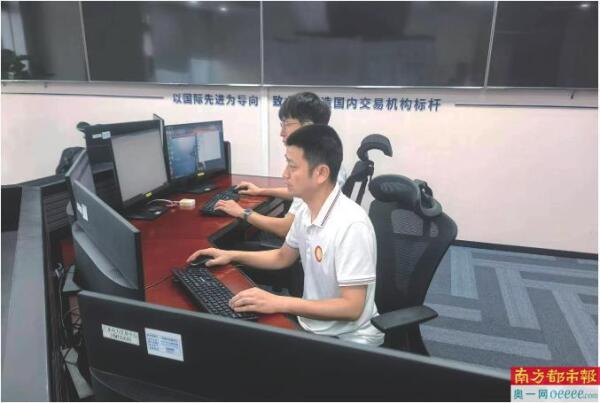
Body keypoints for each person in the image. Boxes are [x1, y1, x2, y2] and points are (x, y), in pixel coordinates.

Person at [187, 125, 383, 346]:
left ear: (321, 173)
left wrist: (279, 302)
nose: (284, 174)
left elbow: (352, 308)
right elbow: (282, 257)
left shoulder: (351, 225)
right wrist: (231, 255)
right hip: (314, 324)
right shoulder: (307, 209)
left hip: (349, 339)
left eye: (292, 166)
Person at [214, 92, 346, 239]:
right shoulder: (323, 158)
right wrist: (261, 191)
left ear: (307, 127)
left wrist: (242, 212)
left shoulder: (318, 170)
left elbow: (285, 228)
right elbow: (298, 195)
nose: (282, 133)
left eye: (287, 124)